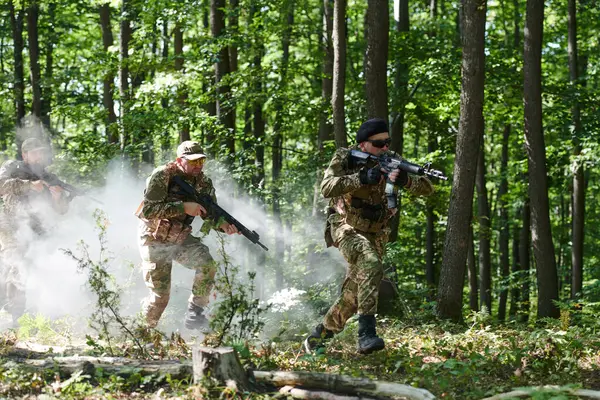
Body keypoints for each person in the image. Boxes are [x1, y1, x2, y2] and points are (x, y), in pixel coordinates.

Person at [304, 118, 435, 354]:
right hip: (345, 226)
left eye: (387, 142)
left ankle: (318, 337)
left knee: (355, 293)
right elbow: (326, 188)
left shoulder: (392, 158)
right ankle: (367, 335)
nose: (385, 147)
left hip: (376, 233)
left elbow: (427, 187)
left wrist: (405, 180)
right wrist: (362, 178)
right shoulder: (345, 157)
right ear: (363, 145)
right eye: (378, 143)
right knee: (372, 265)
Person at [136, 140, 239, 330]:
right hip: (154, 239)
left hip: (180, 237)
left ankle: (195, 313)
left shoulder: (204, 182)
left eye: (201, 161)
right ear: (179, 160)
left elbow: (209, 212)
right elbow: (148, 210)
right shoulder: (162, 175)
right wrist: (183, 207)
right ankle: (142, 334)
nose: (198, 165)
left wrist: (223, 225)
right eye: (193, 161)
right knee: (160, 297)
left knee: (207, 265)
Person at [0, 137, 71, 325]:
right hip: (12, 227)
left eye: (42, 152)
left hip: (38, 230)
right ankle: (14, 318)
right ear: (25, 155)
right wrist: (28, 185)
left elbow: (62, 210)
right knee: (17, 267)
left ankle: (41, 314)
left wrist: (57, 198)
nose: (39, 156)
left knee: (41, 268)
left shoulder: (49, 177)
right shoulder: (12, 167)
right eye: (35, 152)